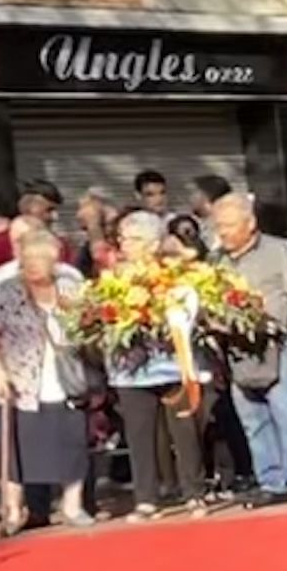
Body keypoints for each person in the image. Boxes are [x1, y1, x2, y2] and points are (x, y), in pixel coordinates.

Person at [210, 190, 287, 504]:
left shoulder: (279, 250)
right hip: (237, 347)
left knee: (286, 411)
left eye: (229, 225)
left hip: (280, 341)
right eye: (219, 226)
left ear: (250, 223)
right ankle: (271, 482)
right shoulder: (216, 259)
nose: (223, 232)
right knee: (252, 418)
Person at [0, 227, 95, 531]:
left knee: (71, 441)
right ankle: (15, 510)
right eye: (27, 258)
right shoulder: (6, 290)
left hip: (65, 375)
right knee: (18, 447)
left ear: (53, 260)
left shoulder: (71, 284)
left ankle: (73, 505)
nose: (31, 264)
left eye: (39, 258)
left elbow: (92, 324)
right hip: (21, 379)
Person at [98, 209, 208, 515]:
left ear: (151, 243)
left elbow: (191, 314)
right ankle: (146, 497)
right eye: (122, 238)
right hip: (131, 371)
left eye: (132, 239)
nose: (124, 244)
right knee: (139, 435)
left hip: (173, 364)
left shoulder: (175, 274)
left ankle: (194, 492)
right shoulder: (112, 277)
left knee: (184, 432)